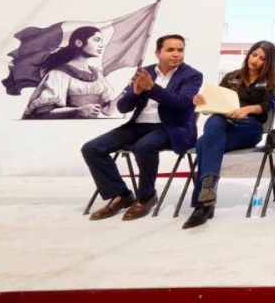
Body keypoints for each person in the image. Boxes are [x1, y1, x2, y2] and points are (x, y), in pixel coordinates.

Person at [81, 34, 202, 221]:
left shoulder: (192, 75)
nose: (176, 54)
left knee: (144, 146)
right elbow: (123, 107)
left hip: (171, 128)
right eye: (170, 50)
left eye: (180, 50)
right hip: (138, 125)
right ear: (158, 53)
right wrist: (136, 92)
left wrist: (152, 88)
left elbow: (182, 104)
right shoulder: (145, 72)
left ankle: (146, 196)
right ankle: (121, 195)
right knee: (92, 148)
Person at [181, 40, 275, 229]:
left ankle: (203, 205)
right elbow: (216, 100)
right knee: (214, 121)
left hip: (249, 128)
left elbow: (266, 107)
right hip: (224, 124)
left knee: (203, 144)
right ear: (249, 54)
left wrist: (247, 109)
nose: (256, 60)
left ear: (268, 62)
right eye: (254, 55)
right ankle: (207, 191)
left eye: (262, 58)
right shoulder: (231, 77)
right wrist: (202, 101)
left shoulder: (268, 82)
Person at [23, 26, 116, 119]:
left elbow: (107, 111)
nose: (101, 45)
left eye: (101, 41)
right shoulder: (58, 74)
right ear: (79, 43)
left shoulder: (97, 75)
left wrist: (124, 94)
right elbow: (42, 113)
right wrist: (77, 111)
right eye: (96, 40)